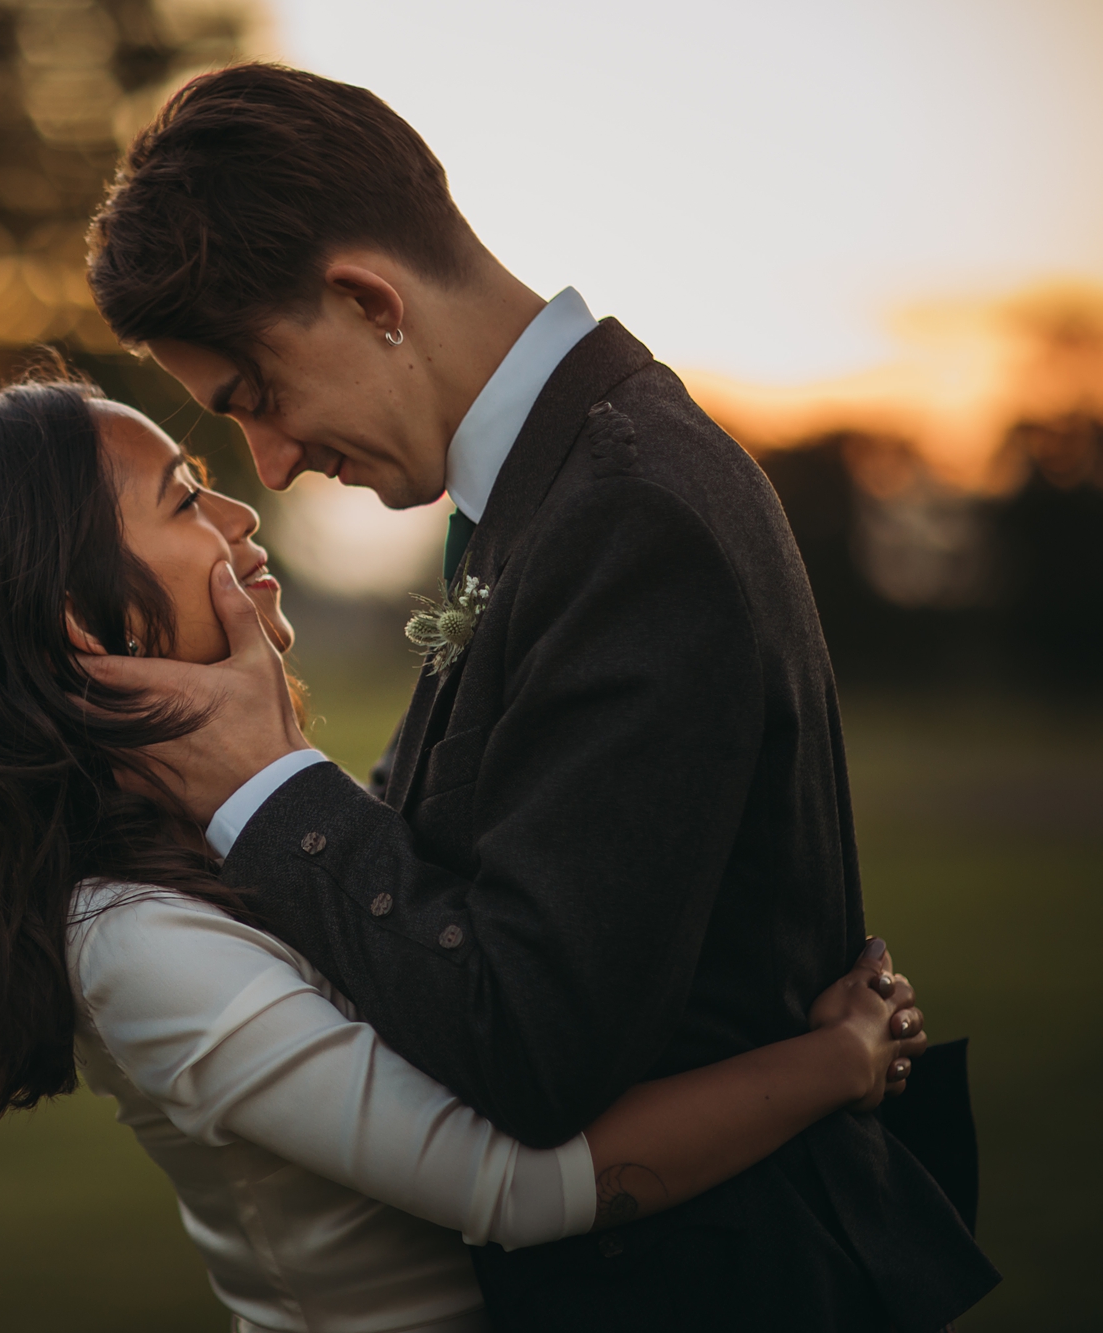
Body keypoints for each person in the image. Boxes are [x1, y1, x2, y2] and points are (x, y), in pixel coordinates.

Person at [81, 64, 997, 1330]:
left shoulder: (626, 515)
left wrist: (265, 790)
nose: (275, 463)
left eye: (259, 398)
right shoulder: (562, 491)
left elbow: (527, 1048)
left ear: (365, 298)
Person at [0, 377, 929, 1333]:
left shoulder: (226, 840)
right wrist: (837, 1060)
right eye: (184, 495)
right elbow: (514, 1190)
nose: (241, 513)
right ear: (77, 621)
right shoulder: (129, 938)